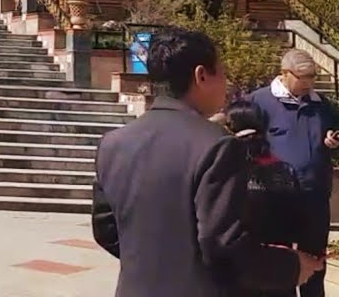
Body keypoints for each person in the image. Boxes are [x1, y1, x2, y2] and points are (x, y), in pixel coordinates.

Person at [92, 29, 323, 297]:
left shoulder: (113, 143)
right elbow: (224, 246)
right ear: (202, 75)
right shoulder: (216, 145)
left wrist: (158, 263)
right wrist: (292, 267)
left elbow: (106, 230)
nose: (226, 84)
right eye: (222, 74)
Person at [250, 49, 339, 297]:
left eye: (311, 78)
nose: (308, 84)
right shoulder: (259, 101)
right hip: (275, 197)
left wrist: (336, 141)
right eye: (302, 78)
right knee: (280, 262)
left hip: (314, 195)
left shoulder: (321, 105)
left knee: (315, 262)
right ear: (284, 73)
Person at [223, 101, 303, 297]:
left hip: (239, 267)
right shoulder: (285, 171)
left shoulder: (226, 171)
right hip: (280, 267)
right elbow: (299, 220)